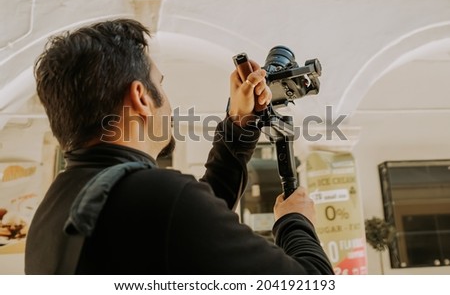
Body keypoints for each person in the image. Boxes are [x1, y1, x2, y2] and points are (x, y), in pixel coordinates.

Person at [25, 18, 334, 274]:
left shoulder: (48, 217)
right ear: (141, 98)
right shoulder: (162, 198)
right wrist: (296, 221)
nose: (168, 102)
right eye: (161, 84)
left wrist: (241, 121)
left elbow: (188, 227)